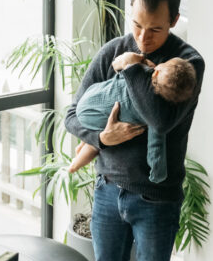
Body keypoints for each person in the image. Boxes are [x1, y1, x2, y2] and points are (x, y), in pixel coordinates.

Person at [65, 0, 205, 261]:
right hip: (107, 191)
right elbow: (71, 116)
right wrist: (102, 139)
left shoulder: (187, 64)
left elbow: (161, 119)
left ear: (174, 21)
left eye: (155, 29)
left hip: (156, 198)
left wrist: (130, 70)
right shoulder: (113, 50)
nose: (142, 39)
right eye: (136, 25)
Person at [67, 57, 197, 184]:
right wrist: (158, 173)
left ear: (156, 72)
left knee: (105, 128)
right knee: (102, 137)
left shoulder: (140, 75)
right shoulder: (154, 115)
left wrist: (142, 63)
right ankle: (77, 161)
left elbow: (123, 74)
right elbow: (156, 146)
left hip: (91, 96)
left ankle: (84, 145)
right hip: (92, 116)